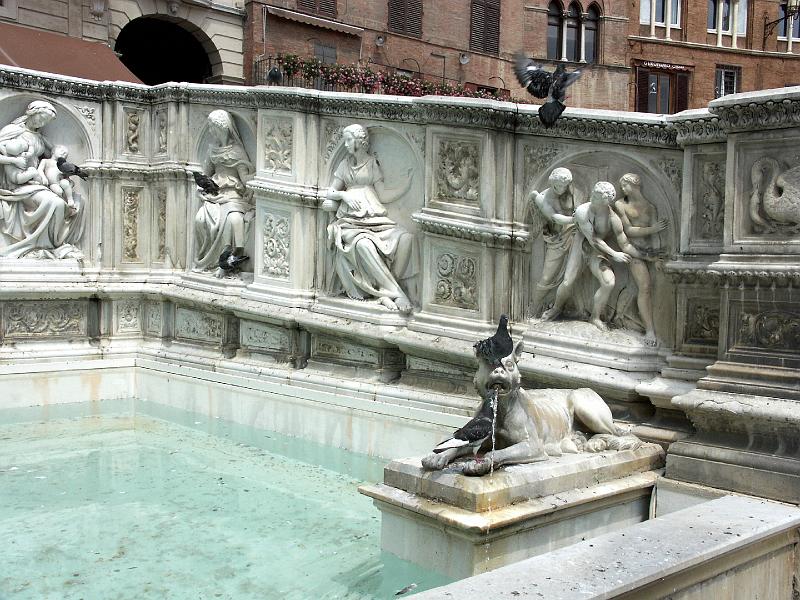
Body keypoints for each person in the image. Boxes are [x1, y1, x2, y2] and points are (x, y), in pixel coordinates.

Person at [322, 124, 418, 312]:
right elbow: (330, 191)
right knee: (363, 244)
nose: (346, 144)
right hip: (350, 224)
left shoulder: (372, 163)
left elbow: (383, 195)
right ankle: (395, 294)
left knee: (406, 239)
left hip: (375, 219)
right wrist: (344, 195)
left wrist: (406, 185)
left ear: (359, 141)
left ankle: (384, 291)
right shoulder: (344, 165)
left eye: (349, 139)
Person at [542, 181, 655, 332]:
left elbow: (625, 245)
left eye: (597, 198)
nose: (593, 198)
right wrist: (614, 254)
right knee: (568, 281)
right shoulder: (583, 211)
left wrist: (645, 256)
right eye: (594, 195)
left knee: (609, 282)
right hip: (581, 245)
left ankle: (595, 317)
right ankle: (556, 308)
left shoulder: (613, 219)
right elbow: (593, 239)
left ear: (607, 202)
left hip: (597, 252)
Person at [0, 100, 83, 258]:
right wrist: (13, 161)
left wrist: (62, 172)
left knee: (68, 202)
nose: (42, 122)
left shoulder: (39, 138)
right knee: (54, 202)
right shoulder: (12, 131)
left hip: (35, 182)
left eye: (46, 121)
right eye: (41, 118)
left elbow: (56, 154)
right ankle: (45, 245)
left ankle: (52, 245)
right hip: (16, 182)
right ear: (32, 112)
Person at [193, 110, 254, 272]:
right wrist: (202, 186)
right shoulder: (212, 151)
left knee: (233, 218)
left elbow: (244, 178)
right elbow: (206, 174)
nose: (211, 132)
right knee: (200, 218)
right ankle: (212, 261)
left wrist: (258, 177)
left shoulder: (237, 152)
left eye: (213, 128)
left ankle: (232, 254)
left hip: (234, 195)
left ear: (223, 128)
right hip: (215, 195)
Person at [614, 173, 668, 344]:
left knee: (642, 288)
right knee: (644, 286)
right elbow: (628, 230)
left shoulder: (650, 207)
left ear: (635, 184)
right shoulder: (620, 204)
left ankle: (625, 316)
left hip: (650, 251)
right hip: (633, 251)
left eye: (624, 185)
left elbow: (656, 238)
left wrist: (658, 256)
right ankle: (650, 330)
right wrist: (653, 229)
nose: (622, 189)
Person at [529, 167, 578, 317]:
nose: (561, 189)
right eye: (558, 186)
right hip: (556, 240)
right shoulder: (541, 198)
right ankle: (534, 308)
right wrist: (575, 220)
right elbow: (555, 217)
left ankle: (567, 307)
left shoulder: (571, 191)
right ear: (551, 182)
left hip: (574, 235)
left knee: (573, 276)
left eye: (564, 186)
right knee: (546, 277)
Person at [38, 145, 78, 214]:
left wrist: (69, 180)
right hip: (52, 184)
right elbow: (40, 170)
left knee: (65, 183)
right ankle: (64, 206)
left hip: (62, 182)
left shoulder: (63, 165)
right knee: (58, 191)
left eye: (65, 154)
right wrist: (43, 177)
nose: (63, 153)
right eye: (61, 150)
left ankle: (70, 200)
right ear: (53, 151)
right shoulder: (46, 161)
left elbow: (66, 174)